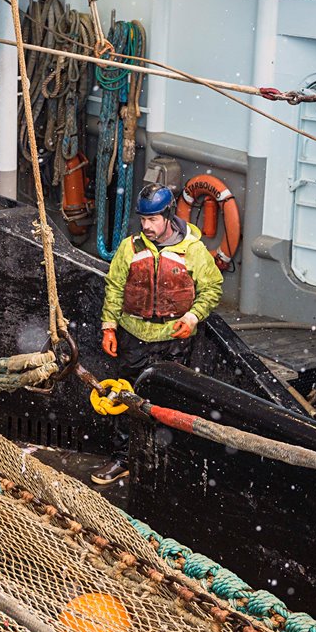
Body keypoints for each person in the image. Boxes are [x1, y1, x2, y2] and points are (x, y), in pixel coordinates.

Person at [92, 182, 224, 484]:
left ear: (168, 215)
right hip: (132, 338)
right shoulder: (130, 248)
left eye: (152, 219)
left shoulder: (193, 251)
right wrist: (109, 327)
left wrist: (192, 317)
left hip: (173, 343)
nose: (146, 226)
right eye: (143, 219)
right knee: (125, 399)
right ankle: (123, 459)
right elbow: (114, 289)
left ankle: (168, 466)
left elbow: (212, 288)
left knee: (171, 405)